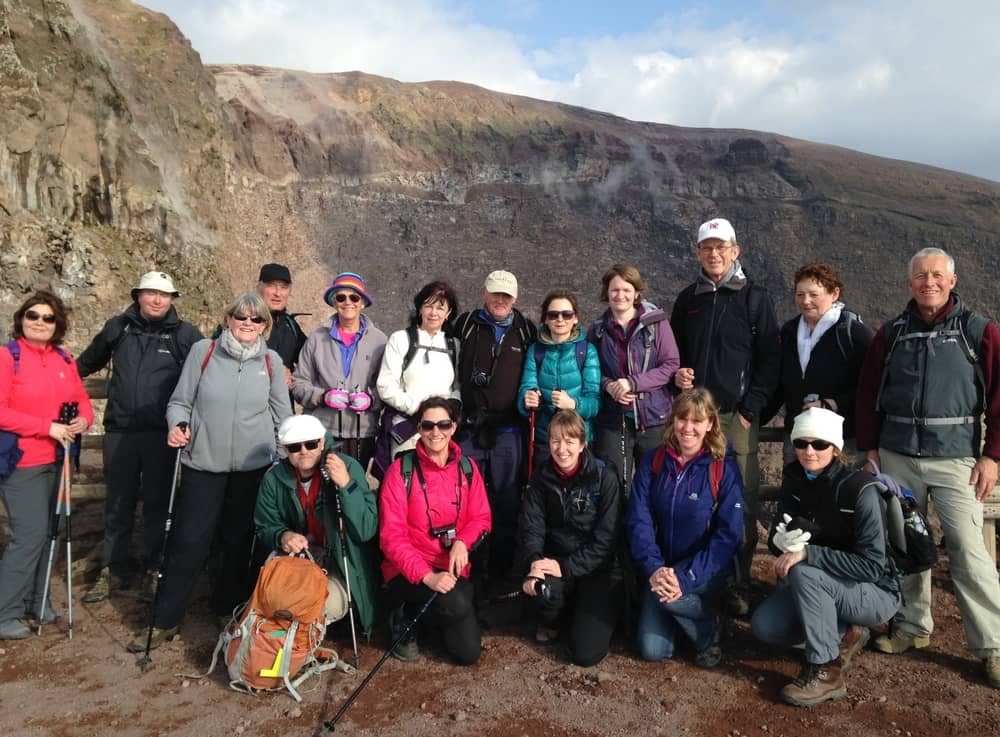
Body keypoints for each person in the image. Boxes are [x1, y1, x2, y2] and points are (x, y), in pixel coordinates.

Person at [855, 247, 1000, 689]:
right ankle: (913, 627)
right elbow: (868, 393)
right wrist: (870, 449)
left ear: (953, 281)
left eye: (937, 275)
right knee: (906, 545)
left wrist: (993, 455)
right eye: (921, 276)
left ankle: (993, 647)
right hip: (898, 455)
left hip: (957, 460)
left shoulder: (981, 332)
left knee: (969, 552)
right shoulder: (892, 333)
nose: (929, 283)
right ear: (909, 283)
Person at [127, 292, 292, 651]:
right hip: (203, 463)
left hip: (253, 467)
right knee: (189, 541)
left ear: (265, 325)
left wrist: (282, 456)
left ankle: (227, 608)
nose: (248, 324)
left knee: (237, 542)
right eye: (241, 317)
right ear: (228, 318)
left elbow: (283, 415)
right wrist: (178, 424)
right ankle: (165, 619)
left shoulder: (271, 362)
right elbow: (179, 401)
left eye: (256, 319)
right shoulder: (204, 353)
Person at [751, 408, 902, 706]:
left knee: (804, 571)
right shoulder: (795, 480)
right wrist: (779, 543)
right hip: (823, 586)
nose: (809, 451)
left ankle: (826, 671)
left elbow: (872, 566)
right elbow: (779, 539)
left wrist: (808, 552)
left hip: (874, 593)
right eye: (801, 443)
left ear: (835, 448)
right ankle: (842, 632)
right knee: (765, 626)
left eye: (819, 444)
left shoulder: (860, 490)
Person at [669, 217, 779, 614]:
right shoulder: (689, 300)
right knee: (695, 497)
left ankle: (737, 582)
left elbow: (770, 360)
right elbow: (673, 353)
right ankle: (699, 575)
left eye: (722, 248)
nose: (714, 254)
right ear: (698, 253)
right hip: (692, 419)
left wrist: (752, 410)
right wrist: (675, 375)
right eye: (707, 248)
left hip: (735, 417)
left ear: (736, 251)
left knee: (740, 501)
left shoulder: (755, 298)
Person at [76, 271, 203, 603]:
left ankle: (153, 567)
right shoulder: (119, 328)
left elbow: (205, 374)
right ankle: (113, 568)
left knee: (158, 504)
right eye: (150, 293)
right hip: (120, 430)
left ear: (173, 299)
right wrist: (55, 385)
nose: (157, 300)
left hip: (162, 433)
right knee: (118, 502)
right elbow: (86, 363)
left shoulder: (185, 335)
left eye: (164, 295)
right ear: (138, 295)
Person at [626, 388, 743, 668]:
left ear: (710, 425)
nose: (687, 428)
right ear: (672, 420)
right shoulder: (653, 462)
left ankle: (707, 630)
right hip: (662, 568)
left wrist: (684, 577)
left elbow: (728, 536)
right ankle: (684, 616)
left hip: (705, 571)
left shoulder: (722, 469)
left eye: (697, 421)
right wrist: (655, 568)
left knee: (668, 599)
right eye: (682, 418)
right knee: (652, 650)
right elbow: (638, 520)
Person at [0, 291, 94, 639]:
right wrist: (46, 428)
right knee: (29, 536)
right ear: (21, 320)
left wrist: (83, 420)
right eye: (32, 315)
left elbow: (82, 400)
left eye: (47, 317)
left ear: (58, 324)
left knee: (49, 533)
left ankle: (36, 602)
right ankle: (4, 611)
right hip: (22, 462)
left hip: (59, 459)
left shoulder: (64, 359)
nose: (39, 322)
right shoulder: (8, 358)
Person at [378, 397, 492, 664]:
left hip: (452, 568)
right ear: (419, 428)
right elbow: (391, 538)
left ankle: (431, 620)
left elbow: (481, 517)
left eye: (443, 424)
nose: (436, 432)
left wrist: (463, 541)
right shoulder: (400, 471)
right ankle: (403, 615)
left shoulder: (468, 468)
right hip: (410, 572)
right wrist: (427, 576)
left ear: (454, 427)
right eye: (428, 426)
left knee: (467, 654)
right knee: (458, 602)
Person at [254, 414, 380, 637]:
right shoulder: (274, 479)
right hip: (298, 559)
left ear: (322, 442)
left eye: (311, 443)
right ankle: (283, 645)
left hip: (339, 560)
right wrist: (283, 536)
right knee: (275, 596)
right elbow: (265, 525)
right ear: (284, 449)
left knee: (318, 605)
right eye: (294, 447)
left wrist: (346, 485)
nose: (304, 451)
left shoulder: (347, 467)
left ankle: (301, 641)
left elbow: (366, 528)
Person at [517, 409, 622, 666]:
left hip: (597, 569)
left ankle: (593, 613)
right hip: (557, 560)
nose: (561, 449)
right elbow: (532, 526)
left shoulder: (604, 478)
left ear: (582, 444)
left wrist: (566, 567)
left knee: (585, 654)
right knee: (544, 589)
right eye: (555, 440)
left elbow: (605, 540)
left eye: (569, 441)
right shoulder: (541, 478)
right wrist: (534, 562)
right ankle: (554, 617)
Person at [453, 270, 537, 584]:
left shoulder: (526, 331)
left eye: (507, 295)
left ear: (515, 298)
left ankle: (500, 576)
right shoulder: (464, 324)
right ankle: (468, 571)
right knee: (465, 501)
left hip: (509, 432)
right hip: (471, 429)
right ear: (484, 293)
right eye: (495, 294)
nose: (500, 300)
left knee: (506, 501)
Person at [587, 264, 679, 490]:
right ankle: (618, 526)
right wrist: (608, 386)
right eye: (614, 290)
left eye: (626, 290)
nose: (620, 295)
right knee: (614, 485)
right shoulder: (597, 330)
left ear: (637, 292)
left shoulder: (656, 324)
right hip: (613, 420)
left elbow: (671, 365)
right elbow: (590, 371)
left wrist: (633, 382)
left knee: (657, 484)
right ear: (606, 293)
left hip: (653, 419)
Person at [771, 262, 873, 462]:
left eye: (813, 294)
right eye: (800, 295)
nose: (806, 301)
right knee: (799, 492)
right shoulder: (789, 332)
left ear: (834, 294)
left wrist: (834, 403)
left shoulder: (853, 334)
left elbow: (872, 386)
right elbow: (778, 383)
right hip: (799, 438)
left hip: (843, 440)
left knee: (841, 491)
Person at [292, 272, 386, 472]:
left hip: (362, 433)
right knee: (324, 493)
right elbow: (298, 383)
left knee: (354, 489)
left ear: (363, 303)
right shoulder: (316, 339)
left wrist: (371, 399)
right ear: (334, 302)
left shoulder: (380, 341)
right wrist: (321, 397)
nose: (348, 302)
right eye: (341, 297)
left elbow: (387, 385)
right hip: (323, 431)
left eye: (354, 297)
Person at [375, 280, 461, 472]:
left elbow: (457, 386)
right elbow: (386, 385)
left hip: (441, 432)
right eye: (428, 305)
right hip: (408, 430)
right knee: (405, 482)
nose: (433, 313)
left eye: (440, 307)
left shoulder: (454, 345)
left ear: (448, 313)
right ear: (419, 308)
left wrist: (450, 407)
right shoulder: (400, 339)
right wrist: (417, 408)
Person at [518, 289, 600, 468]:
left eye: (567, 314)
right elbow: (526, 387)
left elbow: (594, 402)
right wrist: (528, 399)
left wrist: (573, 404)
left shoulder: (586, 351)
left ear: (575, 318)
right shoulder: (536, 351)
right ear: (546, 319)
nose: (560, 319)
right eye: (553, 315)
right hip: (545, 439)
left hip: (577, 441)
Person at [257, 263, 307, 388]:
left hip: (283, 405)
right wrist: (271, 372)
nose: (278, 293)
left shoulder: (291, 326)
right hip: (248, 404)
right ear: (259, 288)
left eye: (284, 287)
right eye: (271, 286)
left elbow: (309, 360)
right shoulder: (242, 321)